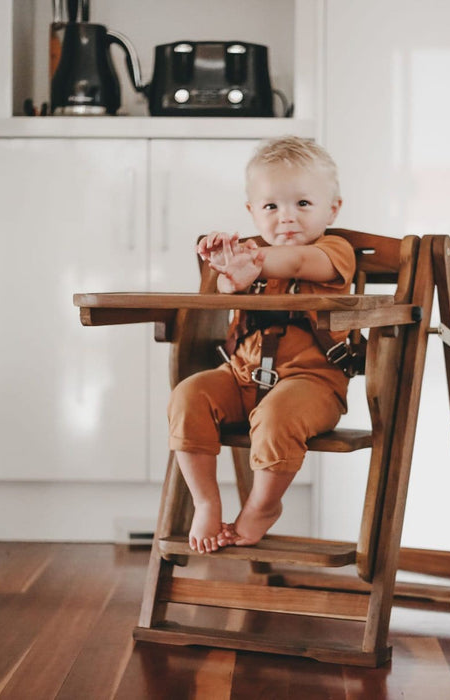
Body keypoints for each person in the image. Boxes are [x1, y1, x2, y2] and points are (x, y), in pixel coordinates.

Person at [167, 135, 356, 553]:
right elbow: (227, 286)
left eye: (303, 204)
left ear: (333, 208)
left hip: (312, 386)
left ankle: (263, 506)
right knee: (188, 396)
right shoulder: (252, 256)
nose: (286, 218)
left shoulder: (333, 252)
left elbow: (297, 262)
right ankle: (206, 501)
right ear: (252, 212)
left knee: (277, 416)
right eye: (271, 206)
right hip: (241, 377)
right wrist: (227, 267)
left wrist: (249, 261)